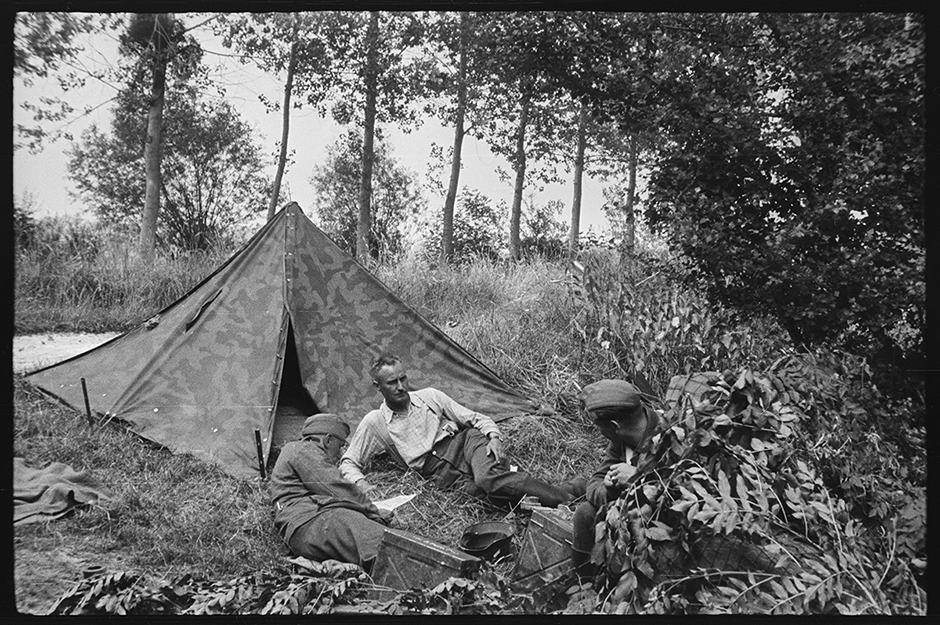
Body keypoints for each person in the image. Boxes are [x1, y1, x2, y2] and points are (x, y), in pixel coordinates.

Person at [339, 353, 585, 509]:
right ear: (377, 387)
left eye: (403, 379)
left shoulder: (429, 397)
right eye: (392, 383)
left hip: (466, 444)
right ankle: (570, 490)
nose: (401, 387)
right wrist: (361, 484)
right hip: (439, 474)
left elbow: (475, 418)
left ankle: (564, 500)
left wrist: (494, 437)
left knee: (488, 479)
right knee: (487, 498)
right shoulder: (376, 422)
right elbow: (349, 461)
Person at [270, 413, 392, 573]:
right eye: (340, 446)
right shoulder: (303, 449)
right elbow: (336, 487)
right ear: (328, 440)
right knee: (388, 545)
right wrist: (374, 513)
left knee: (378, 543)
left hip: (307, 529)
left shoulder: (295, 452)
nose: (340, 453)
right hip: (313, 522)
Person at [571, 379, 661, 579]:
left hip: (661, 525)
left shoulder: (671, 436)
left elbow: (683, 492)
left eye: (599, 427)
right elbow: (594, 484)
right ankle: (583, 584)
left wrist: (640, 478)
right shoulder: (621, 440)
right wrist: (609, 490)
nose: (601, 433)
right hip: (625, 515)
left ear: (614, 425)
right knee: (585, 513)